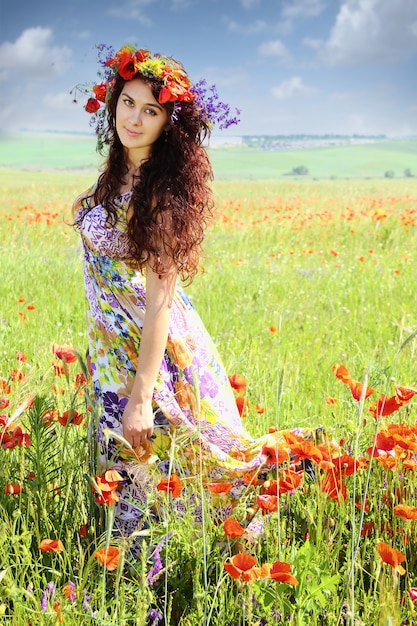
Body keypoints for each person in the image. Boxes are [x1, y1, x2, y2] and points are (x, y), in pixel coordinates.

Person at [72, 44, 313, 547]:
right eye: (128, 102)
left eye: (151, 110)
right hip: (111, 347)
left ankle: (294, 473)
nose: (134, 118)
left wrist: (141, 394)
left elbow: (160, 297)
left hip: (154, 352)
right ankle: (136, 576)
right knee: (126, 471)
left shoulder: (158, 194)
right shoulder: (112, 176)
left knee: (191, 457)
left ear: (168, 124)